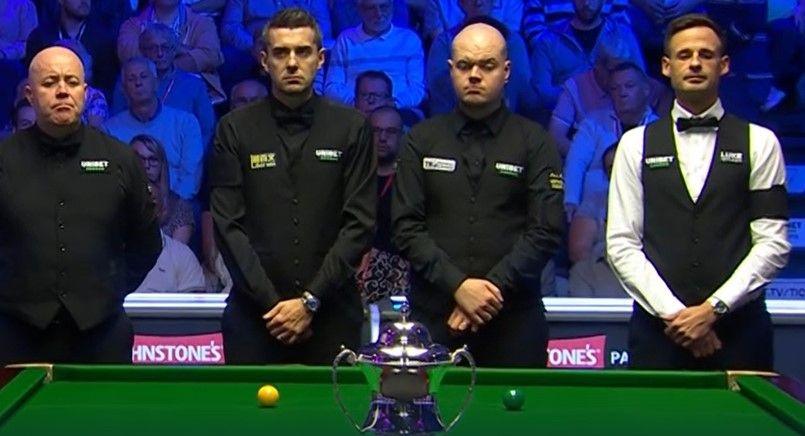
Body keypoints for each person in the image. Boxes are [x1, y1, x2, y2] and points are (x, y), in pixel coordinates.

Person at [606, 14, 790, 370]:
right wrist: (678, 316)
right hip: (659, 334)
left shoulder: (761, 143)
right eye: (684, 54)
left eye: (705, 55)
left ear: (724, 66)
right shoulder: (633, 145)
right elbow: (621, 244)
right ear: (665, 66)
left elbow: (773, 243)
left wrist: (712, 310)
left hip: (741, 334)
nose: (694, 63)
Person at [392, 22, 565, 367]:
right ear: (450, 69)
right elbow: (405, 227)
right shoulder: (420, 139)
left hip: (514, 321)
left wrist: (487, 292)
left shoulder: (535, 141)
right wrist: (459, 287)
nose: (474, 75)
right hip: (435, 319)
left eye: (486, 66)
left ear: (506, 71)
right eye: (464, 65)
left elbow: (545, 231)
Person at [210, 8, 375, 364]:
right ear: (264, 60)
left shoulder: (353, 127)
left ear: (321, 58)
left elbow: (359, 224)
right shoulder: (233, 129)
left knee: (334, 421)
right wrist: (274, 305)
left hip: (333, 315)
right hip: (256, 318)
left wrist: (310, 301)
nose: (292, 62)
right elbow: (228, 225)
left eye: (302, 52)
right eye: (281, 53)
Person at [0, 46, 161, 364]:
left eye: (71, 82)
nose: (62, 91)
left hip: (102, 332)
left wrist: (108, 290)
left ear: (85, 92)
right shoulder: (4, 159)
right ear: (30, 94)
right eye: (50, 83)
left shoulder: (120, 158)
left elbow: (147, 243)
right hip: (15, 332)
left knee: (106, 416)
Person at [563, 61, 657, 220]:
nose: (622, 93)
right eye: (615, 88)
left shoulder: (658, 129)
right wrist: (570, 200)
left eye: (629, 86)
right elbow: (575, 163)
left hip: (643, 207)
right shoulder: (592, 123)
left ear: (646, 90)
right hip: (595, 207)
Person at [103, 57, 204, 201]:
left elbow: (191, 177)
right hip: (130, 207)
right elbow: (111, 179)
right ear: (124, 89)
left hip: (176, 203)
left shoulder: (186, 123)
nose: (138, 83)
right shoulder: (109, 130)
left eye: (144, 77)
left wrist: (168, 206)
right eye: (131, 79)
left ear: (156, 83)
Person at [112, 23, 214, 148]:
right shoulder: (128, 81)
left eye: (165, 47)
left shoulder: (194, 85)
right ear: (143, 51)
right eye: (153, 48)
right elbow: (116, 122)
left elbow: (206, 129)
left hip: (182, 152)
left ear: (174, 50)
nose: (160, 54)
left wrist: (192, 155)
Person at [324, 0, 425, 109]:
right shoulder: (345, 40)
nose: (379, 14)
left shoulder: (409, 40)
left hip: (399, 111)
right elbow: (331, 88)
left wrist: (393, 104)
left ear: (392, 7)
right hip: (354, 112)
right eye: (371, 8)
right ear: (360, 10)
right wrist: (359, 104)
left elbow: (417, 89)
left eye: (384, 7)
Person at [356, 105, 410, 304]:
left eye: (391, 131)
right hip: (353, 268)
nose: (383, 137)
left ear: (401, 135)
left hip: (396, 274)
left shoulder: (409, 181)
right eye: (376, 131)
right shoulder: (353, 176)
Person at [135, 181, 206, 293]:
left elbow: (194, 308)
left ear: (162, 211)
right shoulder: (110, 254)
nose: (145, 210)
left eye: (152, 204)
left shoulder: (183, 255)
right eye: (138, 204)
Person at [130, 134, 195, 244]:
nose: (146, 165)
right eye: (139, 159)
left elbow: (177, 256)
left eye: (153, 159)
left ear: (162, 164)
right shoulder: (118, 203)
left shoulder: (180, 208)